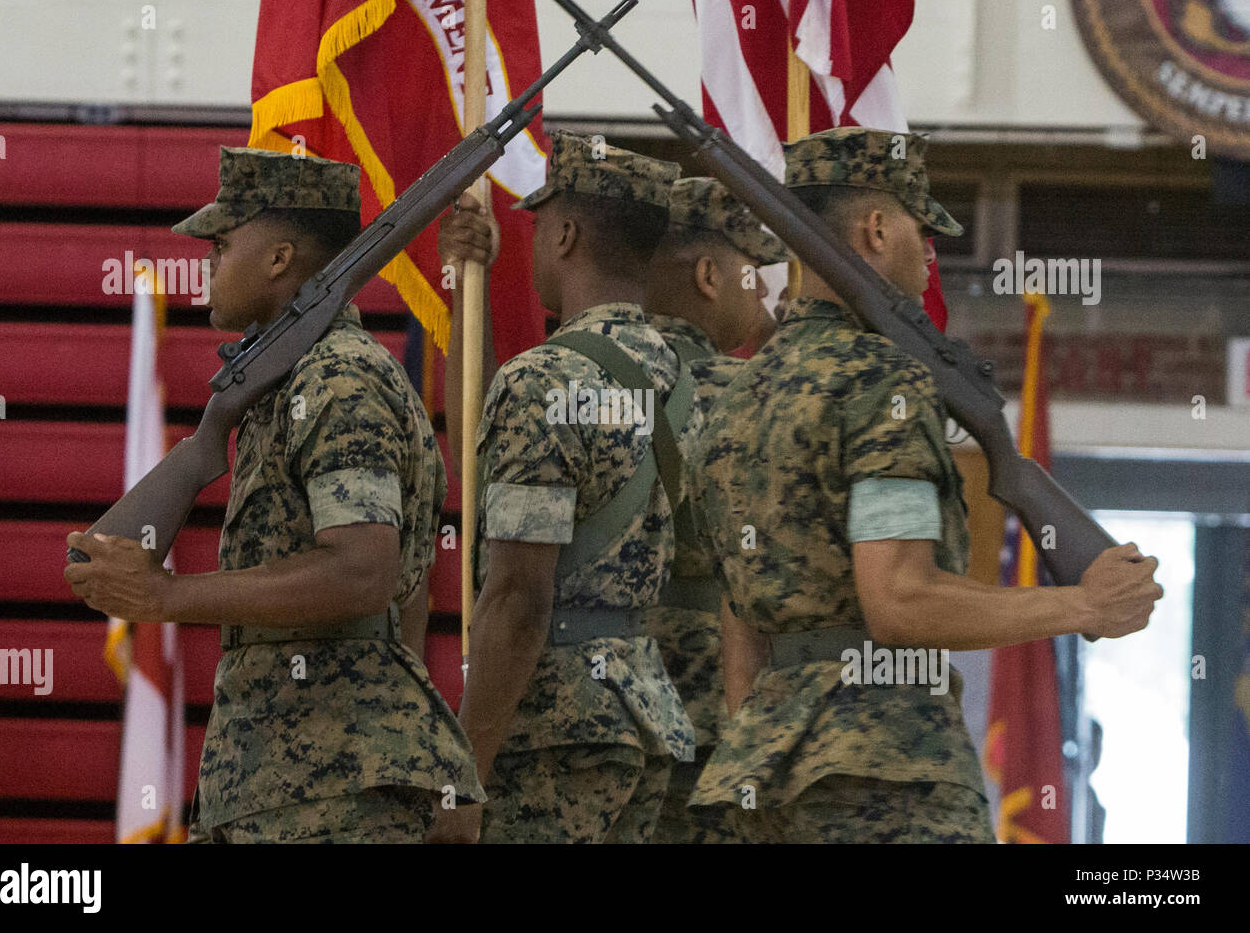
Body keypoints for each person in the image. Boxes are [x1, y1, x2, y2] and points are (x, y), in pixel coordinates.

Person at [686, 127, 1163, 843]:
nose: (932, 252)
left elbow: (741, 624)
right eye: (922, 229)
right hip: (884, 778)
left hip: (760, 771)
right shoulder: (882, 380)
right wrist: (1080, 603)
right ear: (877, 229)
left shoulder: (737, 392)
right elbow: (900, 601)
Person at [63, 146, 482, 842]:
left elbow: (362, 572)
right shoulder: (282, 389)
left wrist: (168, 595)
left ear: (281, 257)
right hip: (285, 780)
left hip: (331, 787)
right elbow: (402, 598)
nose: (207, 264)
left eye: (223, 244)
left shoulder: (338, 379)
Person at [427, 131, 697, 843]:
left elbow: (518, 598)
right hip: (646, 715)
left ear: (568, 234)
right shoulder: (685, 379)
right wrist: (465, 292)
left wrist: (464, 775)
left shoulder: (542, 381)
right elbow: (485, 465)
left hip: (553, 728)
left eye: (542, 224)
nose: (537, 240)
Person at [640, 176, 788, 843]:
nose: (768, 291)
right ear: (710, 274)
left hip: (595, 724)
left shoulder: (567, 379)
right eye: (757, 273)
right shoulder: (761, 396)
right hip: (718, 729)